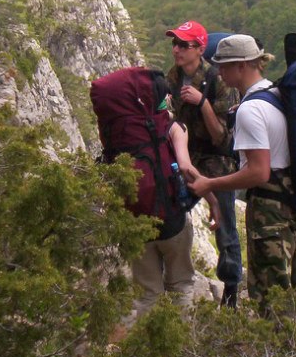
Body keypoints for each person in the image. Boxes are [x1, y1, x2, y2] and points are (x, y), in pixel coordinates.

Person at [186, 34, 296, 316]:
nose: (219, 71)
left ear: (242, 65)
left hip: (270, 212)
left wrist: (210, 183)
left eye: (224, 65)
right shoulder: (276, 93)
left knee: (271, 296)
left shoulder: (250, 109)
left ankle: (276, 344)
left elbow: (258, 171)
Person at [90, 66, 219, 325]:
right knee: (181, 284)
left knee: (147, 293)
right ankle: (181, 343)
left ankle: (150, 345)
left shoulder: (118, 132)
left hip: (136, 224)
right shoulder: (173, 128)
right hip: (171, 221)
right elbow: (187, 169)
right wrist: (214, 202)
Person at [165, 20, 243, 308]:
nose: (176, 49)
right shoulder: (172, 77)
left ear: (200, 49)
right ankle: (170, 278)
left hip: (216, 159)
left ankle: (231, 292)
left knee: (225, 227)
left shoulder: (218, 80)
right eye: (174, 43)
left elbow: (221, 137)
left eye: (183, 45)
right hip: (185, 157)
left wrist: (202, 103)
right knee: (169, 211)